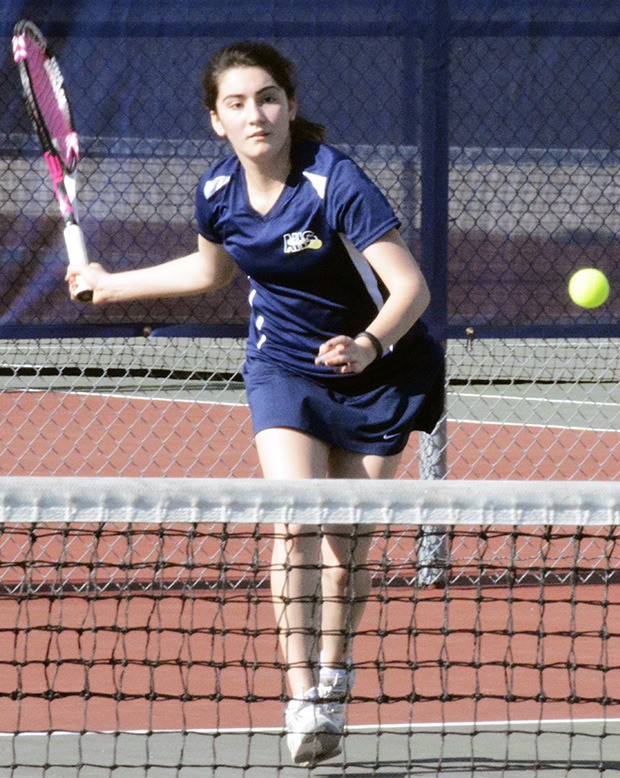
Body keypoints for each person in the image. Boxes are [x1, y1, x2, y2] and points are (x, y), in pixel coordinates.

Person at [66, 40, 445, 767]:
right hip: (282, 368)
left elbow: (411, 290)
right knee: (292, 519)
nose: (255, 114)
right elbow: (210, 271)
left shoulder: (338, 184)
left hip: (380, 370)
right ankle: (302, 695)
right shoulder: (217, 193)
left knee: (346, 554)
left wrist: (366, 344)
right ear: (216, 120)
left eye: (267, 98)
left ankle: (336, 673)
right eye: (236, 104)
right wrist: (112, 285)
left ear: (291, 106)